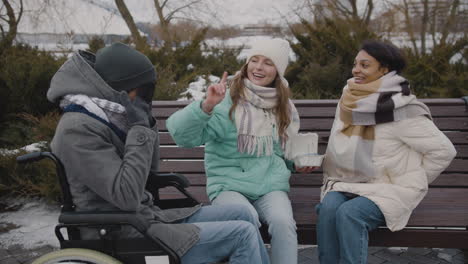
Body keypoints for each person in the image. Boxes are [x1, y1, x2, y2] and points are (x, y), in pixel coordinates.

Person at [47, 42, 270, 264]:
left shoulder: (110, 116)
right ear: (120, 88)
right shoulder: (77, 129)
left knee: (244, 214)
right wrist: (140, 131)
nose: (144, 96)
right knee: (242, 234)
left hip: (146, 218)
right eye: (142, 90)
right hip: (120, 230)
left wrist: (146, 122)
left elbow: (149, 171)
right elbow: (126, 195)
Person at [167, 38, 316, 264]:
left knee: (284, 223)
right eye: (254, 60)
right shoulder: (226, 100)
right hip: (229, 184)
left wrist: (297, 163)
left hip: (269, 185)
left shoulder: (282, 104)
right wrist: (206, 106)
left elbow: (282, 151)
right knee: (247, 219)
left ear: (278, 71)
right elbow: (182, 136)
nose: (258, 67)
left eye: (268, 62)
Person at [316, 40, 457, 264]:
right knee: (329, 207)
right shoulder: (350, 97)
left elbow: (444, 151)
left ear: (385, 69)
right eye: (355, 64)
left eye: (365, 65)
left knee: (349, 213)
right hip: (349, 181)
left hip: (390, 188)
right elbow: (340, 142)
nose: (356, 70)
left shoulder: (402, 109)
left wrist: (415, 177)